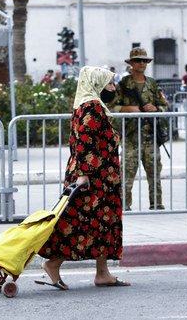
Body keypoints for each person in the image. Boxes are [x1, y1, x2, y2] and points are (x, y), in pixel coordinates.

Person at [37, 66, 129, 289]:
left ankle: (102, 272)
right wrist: (84, 175)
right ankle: (53, 264)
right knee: (80, 224)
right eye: (109, 83)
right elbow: (84, 143)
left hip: (101, 177)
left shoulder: (86, 105)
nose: (112, 88)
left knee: (102, 224)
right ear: (97, 84)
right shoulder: (92, 107)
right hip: (93, 177)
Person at [110, 47, 168, 211]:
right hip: (131, 137)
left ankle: (156, 204)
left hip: (150, 137)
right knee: (127, 174)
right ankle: (124, 205)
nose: (141, 63)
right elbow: (112, 107)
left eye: (144, 60)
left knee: (154, 174)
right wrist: (127, 109)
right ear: (131, 63)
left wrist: (156, 110)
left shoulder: (152, 84)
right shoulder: (123, 85)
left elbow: (165, 107)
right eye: (137, 60)